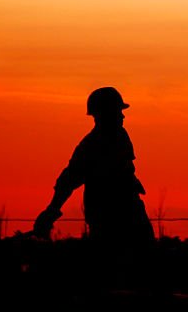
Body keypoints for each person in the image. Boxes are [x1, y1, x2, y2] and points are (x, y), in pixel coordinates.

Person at [32, 87, 154, 245]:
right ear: (106, 114)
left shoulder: (121, 136)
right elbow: (68, 179)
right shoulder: (91, 146)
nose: (122, 115)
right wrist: (51, 211)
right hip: (107, 220)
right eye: (118, 111)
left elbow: (125, 169)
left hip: (131, 214)